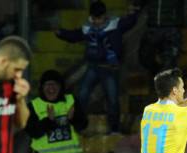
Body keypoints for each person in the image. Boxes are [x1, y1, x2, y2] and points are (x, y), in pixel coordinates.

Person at [55, 0, 139, 134]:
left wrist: (133, 13)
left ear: (105, 15)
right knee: (82, 95)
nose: (97, 21)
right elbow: (75, 35)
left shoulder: (115, 24)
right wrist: (61, 33)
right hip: (93, 67)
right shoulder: (87, 28)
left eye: (99, 18)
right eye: (94, 18)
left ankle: (114, 129)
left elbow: (130, 22)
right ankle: (77, 126)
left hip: (110, 68)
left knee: (112, 99)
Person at [25, 69, 88, 153]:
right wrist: (48, 121)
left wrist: (73, 119)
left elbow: (83, 125)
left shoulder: (71, 100)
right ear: (42, 88)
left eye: (55, 84)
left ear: (61, 87)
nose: (51, 88)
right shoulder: (33, 106)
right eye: (47, 84)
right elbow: (33, 132)